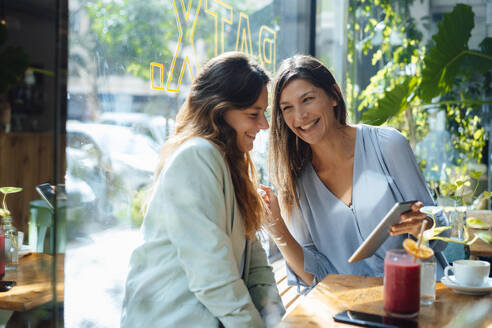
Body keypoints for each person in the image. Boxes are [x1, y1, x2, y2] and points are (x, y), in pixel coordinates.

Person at [121, 52, 285, 328]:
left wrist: (278, 320)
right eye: (253, 114)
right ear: (219, 110)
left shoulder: (234, 165)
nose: (264, 125)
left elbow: (256, 266)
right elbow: (213, 276)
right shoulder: (196, 157)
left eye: (264, 114)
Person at [259, 55, 449, 290]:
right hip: (356, 309)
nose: (299, 116)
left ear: (334, 96)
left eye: (307, 99)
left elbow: (440, 230)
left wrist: (427, 223)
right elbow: (316, 277)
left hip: (419, 297)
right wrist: (277, 228)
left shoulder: (388, 145)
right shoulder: (296, 183)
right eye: (287, 108)